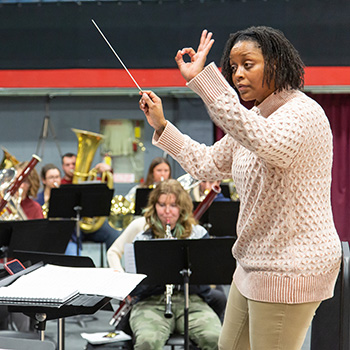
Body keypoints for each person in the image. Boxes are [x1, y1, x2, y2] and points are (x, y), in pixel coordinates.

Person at [138, 27, 342, 350]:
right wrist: (162, 126)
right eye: (233, 68)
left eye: (248, 64)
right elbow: (206, 163)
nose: (238, 75)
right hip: (250, 266)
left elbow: (262, 139)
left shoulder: (303, 114)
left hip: (289, 269)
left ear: (275, 63)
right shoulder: (256, 117)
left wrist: (204, 81)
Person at [128, 179, 222, 350]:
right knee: (147, 342)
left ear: (182, 207)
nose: (167, 211)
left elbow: (204, 284)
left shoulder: (198, 234)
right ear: (154, 206)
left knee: (215, 338)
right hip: (151, 303)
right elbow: (135, 289)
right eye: (162, 205)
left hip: (192, 301)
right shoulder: (143, 238)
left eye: (173, 205)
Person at [60, 152, 120, 252]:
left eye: (74, 164)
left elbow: (105, 187)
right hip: (73, 227)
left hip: (92, 225)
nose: (71, 167)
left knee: (114, 236)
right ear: (62, 167)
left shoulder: (88, 179)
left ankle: (112, 266)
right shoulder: (61, 184)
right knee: (70, 246)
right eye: (67, 164)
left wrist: (108, 171)